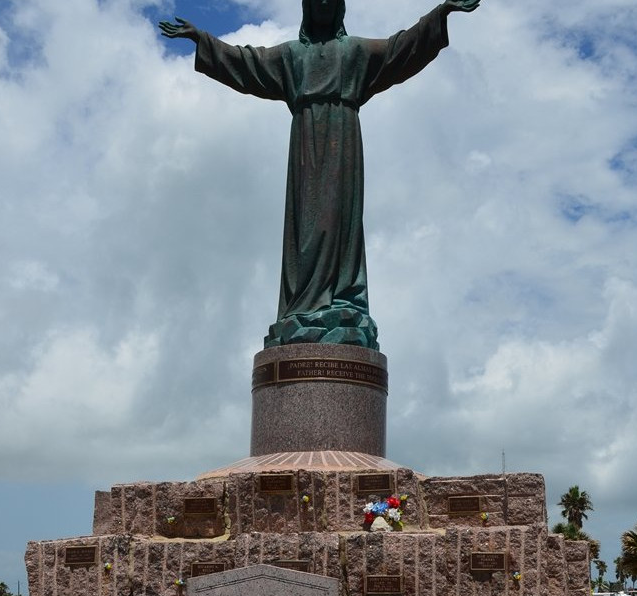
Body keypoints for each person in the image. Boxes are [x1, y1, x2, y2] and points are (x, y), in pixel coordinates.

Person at [160, 0, 480, 350]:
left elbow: (400, 48)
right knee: (309, 228)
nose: (324, 7)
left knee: (342, 223)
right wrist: (202, 39)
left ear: (339, 8)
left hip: (343, 143)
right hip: (305, 146)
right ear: (308, 9)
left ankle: (344, 298)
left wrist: (441, 13)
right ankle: (305, 305)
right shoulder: (292, 55)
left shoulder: (356, 51)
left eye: (331, 1)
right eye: (317, 2)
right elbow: (247, 61)